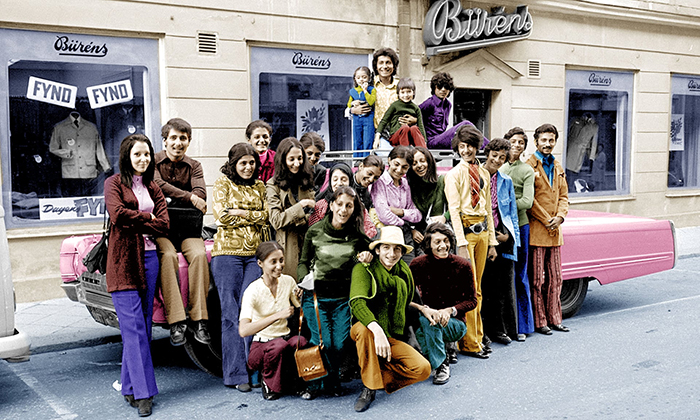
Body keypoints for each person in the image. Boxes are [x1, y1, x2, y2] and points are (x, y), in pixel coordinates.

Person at [104, 134, 168, 417]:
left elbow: (165, 224)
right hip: (123, 261)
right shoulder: (113, 183)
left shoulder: (153, 186)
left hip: (150, 258)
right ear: (126, 156)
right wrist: (147, 219)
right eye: (137, 154)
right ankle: (144, 394)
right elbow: (117, 214)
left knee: (143, 324)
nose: (143, 159)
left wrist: (145, 221)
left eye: (147, 154)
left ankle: (130, 387)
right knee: (133, 329)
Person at [298, 186, 373, 399]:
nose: (343, 209)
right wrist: (304, 280)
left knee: (339, 344)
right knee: (321, 342)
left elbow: (373, 250)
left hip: (342, 300)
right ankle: (316, 386)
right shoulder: (314, 231)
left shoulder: (356, 235)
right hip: (316, 298)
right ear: (331, 205)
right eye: (339, 204)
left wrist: (368, 255)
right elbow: (303, 262)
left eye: (349, 205)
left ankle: (329, 382)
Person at [349, 226, 431, 412]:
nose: (391, 254)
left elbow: (407, 301)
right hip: (366, 332)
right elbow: (358, 303)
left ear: (402, 252)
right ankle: (369, 389)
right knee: (364, 329)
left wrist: (422, 309)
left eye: (397, 249)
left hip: (391, 334)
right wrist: (377, 330)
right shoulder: (364, 268)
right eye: (386, 248)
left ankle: (378, 376)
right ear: (377, 249)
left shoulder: (404, 273)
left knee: (423, 369)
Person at [211, 142, 269, 392]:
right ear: (233, 163)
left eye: (252, 162)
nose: (248, 167)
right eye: (243, 162)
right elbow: (221, 216)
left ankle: (254, 371)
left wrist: (240, 212)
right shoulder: (223, 182)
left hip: (254, 255)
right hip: (227, 255)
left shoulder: (260, 186)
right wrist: (251, 214)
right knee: (230, 314)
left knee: (253, 312)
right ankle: (236, 374)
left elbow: (266, 215)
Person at [153, 118, 210, 347]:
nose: (178, 143)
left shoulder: (194, 165)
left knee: (199, 255)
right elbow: (157, 186)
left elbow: (201, 192)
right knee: (167, 257)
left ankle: (199, 320)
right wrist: (189, 197)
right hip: (162, 230)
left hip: (188, 228)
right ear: (165, 140)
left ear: (189, 141)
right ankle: (177, 321)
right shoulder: (153, 161)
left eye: (183, 138)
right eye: (173, 138)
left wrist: (191, 196)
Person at [444, 124, 498, 359]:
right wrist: (461, 243)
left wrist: (493, 240)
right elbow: (454, 210)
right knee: (470, 289)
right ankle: (470, 343)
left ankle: (475, 337)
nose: (466, 151)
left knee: (478, 289)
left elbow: (487, 208)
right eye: (462, 146)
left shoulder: (484, 173)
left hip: (483, 232)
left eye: (471, 147)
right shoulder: (453, 174)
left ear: (477, 148)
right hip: (465, 232)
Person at [409, 223, 476, 385]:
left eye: (446, 241)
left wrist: (450, 311)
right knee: (427, 320)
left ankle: (441, 365)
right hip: (426, 318)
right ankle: (437, 355)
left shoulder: (463, 265)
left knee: (429, 323)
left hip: (455, 323)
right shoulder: (418, 264)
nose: (443, 246)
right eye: (437, 242)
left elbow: (472, 301)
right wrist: (425, 309)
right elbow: (408, 296)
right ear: (429, 244)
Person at [239, 241, 307, 400]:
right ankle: (269, 384)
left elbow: (298, 306)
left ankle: (296, 383)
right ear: (260, 263)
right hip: (261, 346)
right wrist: (277, 315)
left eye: (281, 260)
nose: (279, 266)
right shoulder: (252, 290)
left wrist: (302, 296)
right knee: (279, 345)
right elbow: (244, 330)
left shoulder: (288, 280)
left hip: (283, 339)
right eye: (273, 262)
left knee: (300, 341)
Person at [526, 124, 570, 335]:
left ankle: (555, 319)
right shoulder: (529, 166)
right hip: (537, 231)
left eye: (551, 140)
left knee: (556, 278)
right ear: (536, 142)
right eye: (543, 140)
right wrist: (546, 219)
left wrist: (560, 217)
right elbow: (530, 200)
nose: (547, 144)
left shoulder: (558, 167)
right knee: (537, 280)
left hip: (555, 232)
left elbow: (563, 196)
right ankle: (540, 321)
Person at [479, 138, 520, 346]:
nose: (496, 160)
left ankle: (499, 329)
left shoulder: (506, 181)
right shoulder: (476, 175)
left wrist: (511, 238)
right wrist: (490, 238)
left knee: (500, 288)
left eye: (501, 157)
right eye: (494, 155)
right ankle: (482, 332)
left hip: (502, 237)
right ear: (487, 154)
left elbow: (511, 213)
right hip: (483, 238)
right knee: (483, 287)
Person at [501, 127, 535, 340]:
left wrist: (505, 205)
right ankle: (505, 326)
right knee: (504, 278)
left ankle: (523, 325)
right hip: (501, 229)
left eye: (521, 142)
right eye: (513, 141)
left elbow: (527, 202)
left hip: (520, 227)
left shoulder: (527, 171)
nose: (517, 145)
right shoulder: (500, 167)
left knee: (520, 276)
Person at [266, 137, 316, 280]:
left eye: (300, 158)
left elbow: (314, 214)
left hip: (308, 240)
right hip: (287, 243)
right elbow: (276, 220)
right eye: (291, 159)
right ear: (283, 160)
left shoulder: (306, 180)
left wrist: (296, 217)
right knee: (291, 286)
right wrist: (301, 205)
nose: (296, 163)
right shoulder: (272, 185)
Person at [349, 48, 417, 150]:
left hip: (399, 132)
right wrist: (352, 110)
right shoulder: (368, 85)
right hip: (378, 134)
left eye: (388, 63)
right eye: (381, 63)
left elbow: (410, 108)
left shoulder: (401, 86)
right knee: (388, 156)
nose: (384, 66)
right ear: (376, 66)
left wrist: (414, 120)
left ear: (394, 66)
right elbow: (352, 103)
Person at [370, 146, 422, 263]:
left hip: (405, 237)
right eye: (396, 164)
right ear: (389, 160)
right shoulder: (380, 182)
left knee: (408, 270)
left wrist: (400, 212)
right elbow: (384, 215)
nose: (399, 170)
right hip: (387, 236)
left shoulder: (405, 183)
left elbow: (417, 215)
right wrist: (406, 224)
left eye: (404, 167)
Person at [309, 163, 377, 238]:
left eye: (343, 179)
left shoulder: (358, 205)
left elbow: (370, 231)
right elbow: (312, 232)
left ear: (350, 182)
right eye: (335, 179)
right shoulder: (321, 205)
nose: (339, 183)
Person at [419, 72, 482, 149]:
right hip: (431, 142)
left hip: (442, 140)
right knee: (466, 124)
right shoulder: (429, 103)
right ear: (434, 88)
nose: (443, 90)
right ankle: (489, 147)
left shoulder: (448, 105)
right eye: (439, 86)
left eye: (446, 87)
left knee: (465, 133)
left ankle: (488, 147)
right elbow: (414, 113)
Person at [406, 146, 448, 249]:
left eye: (422, 161)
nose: (419, 166)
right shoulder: (409, 185)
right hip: (418, 237)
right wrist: (412, 230)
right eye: (414, 163)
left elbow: (456, 205)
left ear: (429, 161)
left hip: (438, 235)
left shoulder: (442, 181)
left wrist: (445, 217)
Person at [374, 78, 427, 149]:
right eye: (402, 92)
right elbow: (384, 121)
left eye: (409, 92)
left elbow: (421, 126)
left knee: (414, 128)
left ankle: (423, 152)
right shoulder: (394, 105)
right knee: (405, 128)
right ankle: (405, 153)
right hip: (395, 137)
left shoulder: (415, 108)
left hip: (409, 137)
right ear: (398, 93)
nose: (406, 95)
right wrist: (377, 137)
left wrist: (424, 141)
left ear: (413, 92)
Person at [348, 66, 376, 158]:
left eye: (364, 77)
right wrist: (353, 103)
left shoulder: (372, 89)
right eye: (358, 78)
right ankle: (357, 159)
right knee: (357, 139)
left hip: (368, 117)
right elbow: (348, 105)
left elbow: (371, 101)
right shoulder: (353, 91)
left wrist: (365, 91)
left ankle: (367, 159)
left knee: (368, 139)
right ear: (355, 79)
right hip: (357, 119)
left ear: (369, 78)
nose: (361, 80)